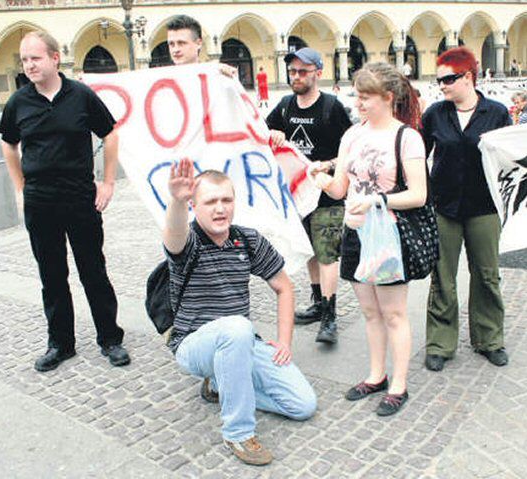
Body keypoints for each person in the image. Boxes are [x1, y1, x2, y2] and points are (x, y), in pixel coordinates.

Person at [164, 160, 316, 465]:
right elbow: (174, 235)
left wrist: (284, 343)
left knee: (303, 405)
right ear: (195, 205)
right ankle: (238, 432)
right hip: (194, 345)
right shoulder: (190, 241)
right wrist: (176, 203)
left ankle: (223, 383)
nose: (220, 209)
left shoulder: (247, 240)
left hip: (241, 341)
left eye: (226, 200)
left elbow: (284, 287)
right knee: (236, 327)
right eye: (210, 202)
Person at [0, 31, 130, 372]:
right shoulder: (19, 102)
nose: (29, 65)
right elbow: (8, 144)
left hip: (79, 196)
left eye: (35, 58)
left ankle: (110, 339)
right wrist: (20, 188)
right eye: (25, 59)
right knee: (52, 275)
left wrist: (109, 181)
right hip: (41, 200)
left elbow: (110, 133)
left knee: (93, 270)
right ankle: (61, 343)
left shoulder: (81, 95)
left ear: (55, 58)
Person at [310, 62, 426, 416]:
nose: (357, 103)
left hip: (388, 233)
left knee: (393, 313)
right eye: (356, 96)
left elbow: (420, 194)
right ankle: (376, 375)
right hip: (357, 233)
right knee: (370, 312)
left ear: (388, 98)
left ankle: (399, 384)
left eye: (365, 97)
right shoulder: (352, 136)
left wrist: (378, 200)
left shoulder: (406, 137)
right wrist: (322, 181)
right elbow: (342, 187)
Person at [421, 47, 512, 372]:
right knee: (442, 278)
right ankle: (440, 343)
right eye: (439, 79)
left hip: (484, 207)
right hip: (444, 207)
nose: (442, 85)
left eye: (448, 78)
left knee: (487, 275)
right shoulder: (434, 114)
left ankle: (489, 339)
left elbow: (509, 161)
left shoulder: (497, 112)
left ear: (469, 77)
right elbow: (418, 157)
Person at [266, 47, 352, 344]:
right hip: (298, 198)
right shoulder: (285, 106)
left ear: (318, 72)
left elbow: (351, 150)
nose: (297, 77)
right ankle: (317, 302)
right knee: (311, 251)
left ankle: (329, 316)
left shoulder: (332, 107)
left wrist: (326, 166)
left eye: (303, 71)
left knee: (327, 254)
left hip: (327, 196)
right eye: (292, 72)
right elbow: (260, 135)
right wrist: (273, 136)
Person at [167, 14, 236, 78]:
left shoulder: (218, 76)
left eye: (181, 43)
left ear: (198, 43)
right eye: (171, 44)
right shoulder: (161, 79)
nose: (175, 50)